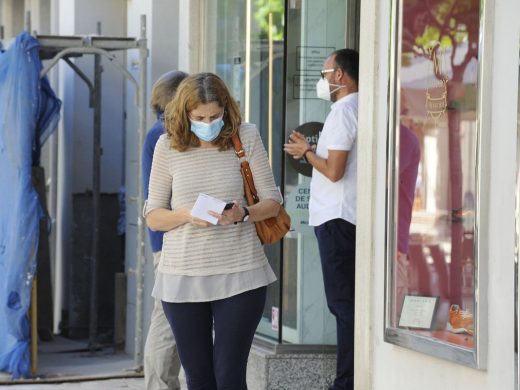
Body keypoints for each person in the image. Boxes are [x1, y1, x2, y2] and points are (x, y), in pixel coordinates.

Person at [144, 72, 281, 390]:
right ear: (184, 114)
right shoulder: (167, 145)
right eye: (200, 117)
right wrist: (187, 214)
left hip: (241, 272)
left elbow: (273, 202)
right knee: (198, 378)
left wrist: (243, 213)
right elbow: (153, 215)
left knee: (230, 377)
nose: (208, 123)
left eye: (215, 116)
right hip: (182, 276)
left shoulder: (245, 136)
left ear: (226, 110)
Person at [284, 48, 359, 390]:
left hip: (337, 218)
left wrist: (306, 152)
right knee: (347, 303)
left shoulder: (344, 112)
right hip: (346, 216)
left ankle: (347, 381)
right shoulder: (357, 108)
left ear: (340, 76)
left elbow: (334, 170)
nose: (323, 81)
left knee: (342, 304)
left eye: (326, 74)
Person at [142, 70, 188, 390]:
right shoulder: (163, 135)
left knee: (168, 323)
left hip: (168, 241)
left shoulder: (160, 132)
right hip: (171, 242)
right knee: (165, 324)